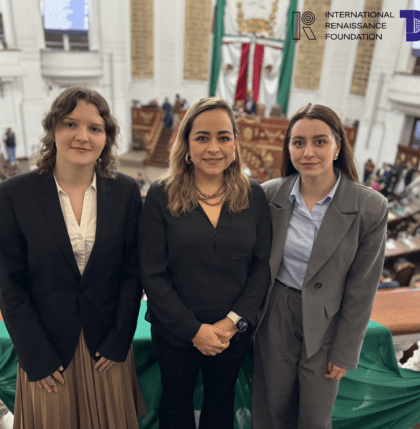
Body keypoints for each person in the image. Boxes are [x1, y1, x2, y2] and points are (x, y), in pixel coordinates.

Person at [0, 86, 145, 428]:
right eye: (70, 124)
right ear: (53, 128)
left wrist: (119, 340)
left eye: (95, 128)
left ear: (106, 138)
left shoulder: (125, 191)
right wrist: (35, 356)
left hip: (106, 350)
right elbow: (10, 286)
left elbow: (131, 274)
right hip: (47, 353)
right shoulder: (14, 195)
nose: (82, 136)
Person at [252, 104, 388, 429]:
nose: (308, 152)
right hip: (276, 314)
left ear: (338, 146)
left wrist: (345, 351)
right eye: (298, 142)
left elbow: (362, 288)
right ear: (288, 148)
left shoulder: (370, 207)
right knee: (270, 410)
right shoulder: (269, 195)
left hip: (329, 322)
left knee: (314, 416)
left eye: (320, 142)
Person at [139, 97, 271, 429]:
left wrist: (231, 324)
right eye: (202, 137)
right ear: (186, 146)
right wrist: (194, 331)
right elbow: (152, 273)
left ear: (235, 144)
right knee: (175, 402)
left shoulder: (254, 195)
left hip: (233, 332)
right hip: (174, 329)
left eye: (223, 137)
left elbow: (261, 269)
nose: (214, 148)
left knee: (222, 401)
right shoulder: (161, 194)